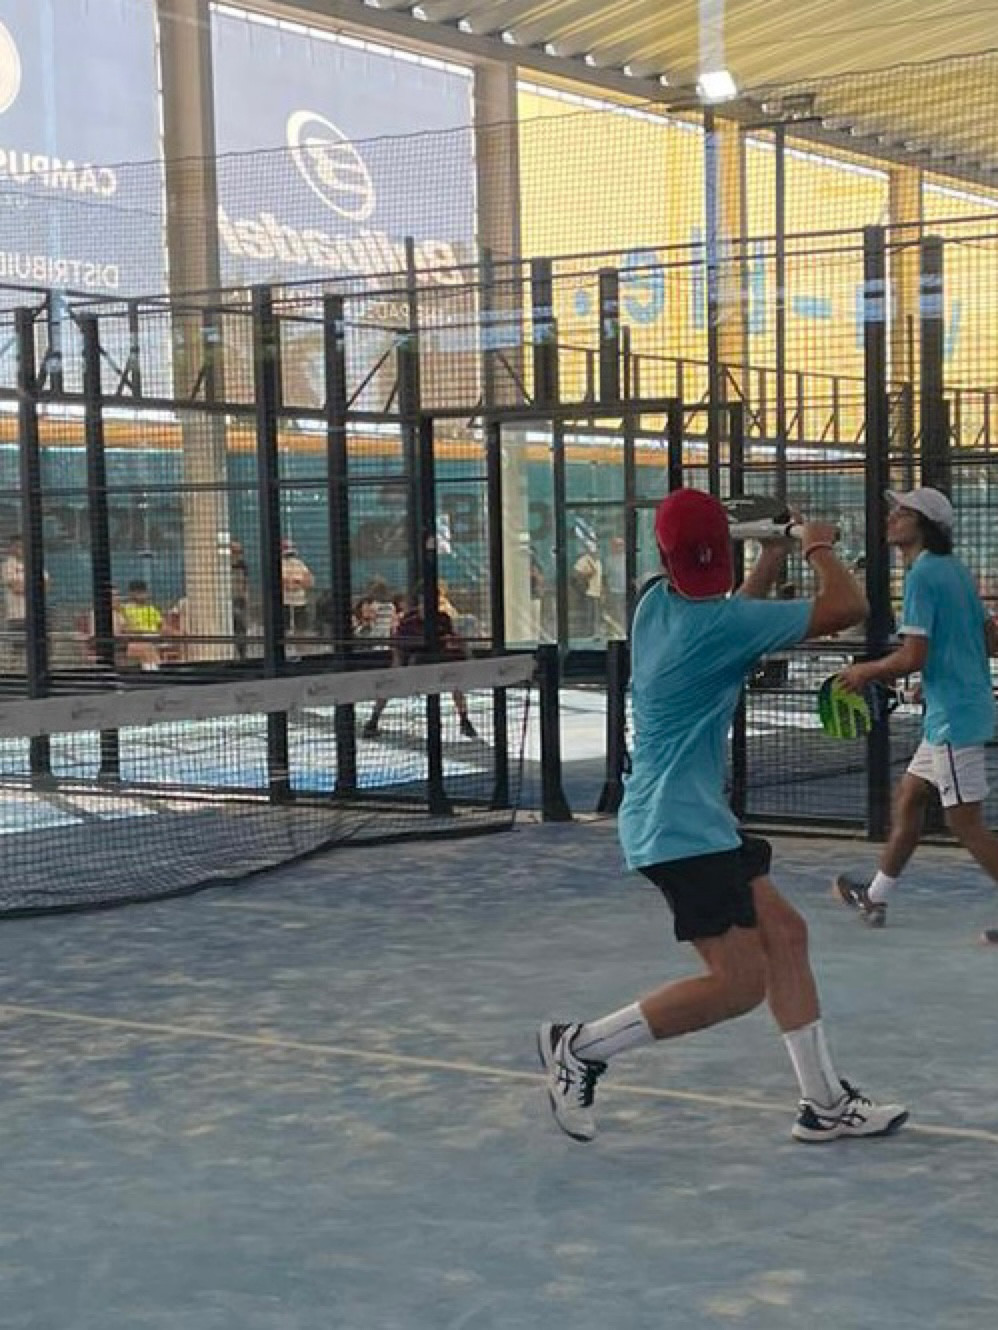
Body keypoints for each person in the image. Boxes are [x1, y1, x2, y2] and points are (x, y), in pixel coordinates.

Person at [538, 487, 908, 1145]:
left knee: (786, 934)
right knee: (738, 986)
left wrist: (769, 557)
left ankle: (824, 1104)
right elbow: (849, 606)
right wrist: (816, 546)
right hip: (677, 830)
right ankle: (582, 1046)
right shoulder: (719, 626)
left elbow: (732, 617)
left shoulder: (656, 604)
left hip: (692, 819)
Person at [833, 487, 998, 944]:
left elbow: (912, 655)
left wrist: (865, 671)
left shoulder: (923, 576)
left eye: (902, 512)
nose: (891, 518)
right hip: (953, 708)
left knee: (965, 823)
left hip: (954, 718)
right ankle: (875, 896)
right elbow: (988, 638)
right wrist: (938, 675)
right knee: (909, 797)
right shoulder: (955, 571)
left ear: (923, 524)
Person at [362, 589, 477, 740]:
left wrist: (469, 656)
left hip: (437, 661)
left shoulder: (443, 618)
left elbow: (454, 637)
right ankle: (373, 720)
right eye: (425, 601)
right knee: (389, 683)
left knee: (455, 681)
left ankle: (464, 720)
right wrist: (398, 664)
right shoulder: (409, 620)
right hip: (412, 662)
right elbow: (397, 644)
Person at [120, 579, 164, 670]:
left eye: (144, 592)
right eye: (139, 592)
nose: (143, 595)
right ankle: (154, 670)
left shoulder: (152, 609)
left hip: (154, 637)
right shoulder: (125, 609)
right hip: (135, 639)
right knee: (145, 646)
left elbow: (162, 626)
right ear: (131, 594)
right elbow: (123, 628)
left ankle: (152, 670)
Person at [281, 539, 314, 649]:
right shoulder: (280, 565)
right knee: (284, 629)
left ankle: (301, 649)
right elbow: (285, 584)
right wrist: (296, 583)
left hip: (299, 602)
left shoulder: (299, 564)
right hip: (285, 602)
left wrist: (296, 583)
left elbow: (309, 581)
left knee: (300, 629)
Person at [231, 539, 250, 661]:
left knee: (241, 627)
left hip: (239, 599)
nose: (237, 555)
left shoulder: (242, 565)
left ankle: (242, 654)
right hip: (228, 600)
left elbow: (245, 583)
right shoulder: (224, 567)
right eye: (234, 552)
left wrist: (246, 596)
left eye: (239, 552)